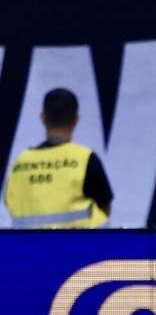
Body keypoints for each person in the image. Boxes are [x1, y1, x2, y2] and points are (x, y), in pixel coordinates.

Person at [3, 88, 113, 228]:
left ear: (43, 117)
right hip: (78, 247)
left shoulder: (20, 162)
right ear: (76, 119)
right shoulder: (85, 158)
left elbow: (9, 202)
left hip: (27, 248)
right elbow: (105, 208)